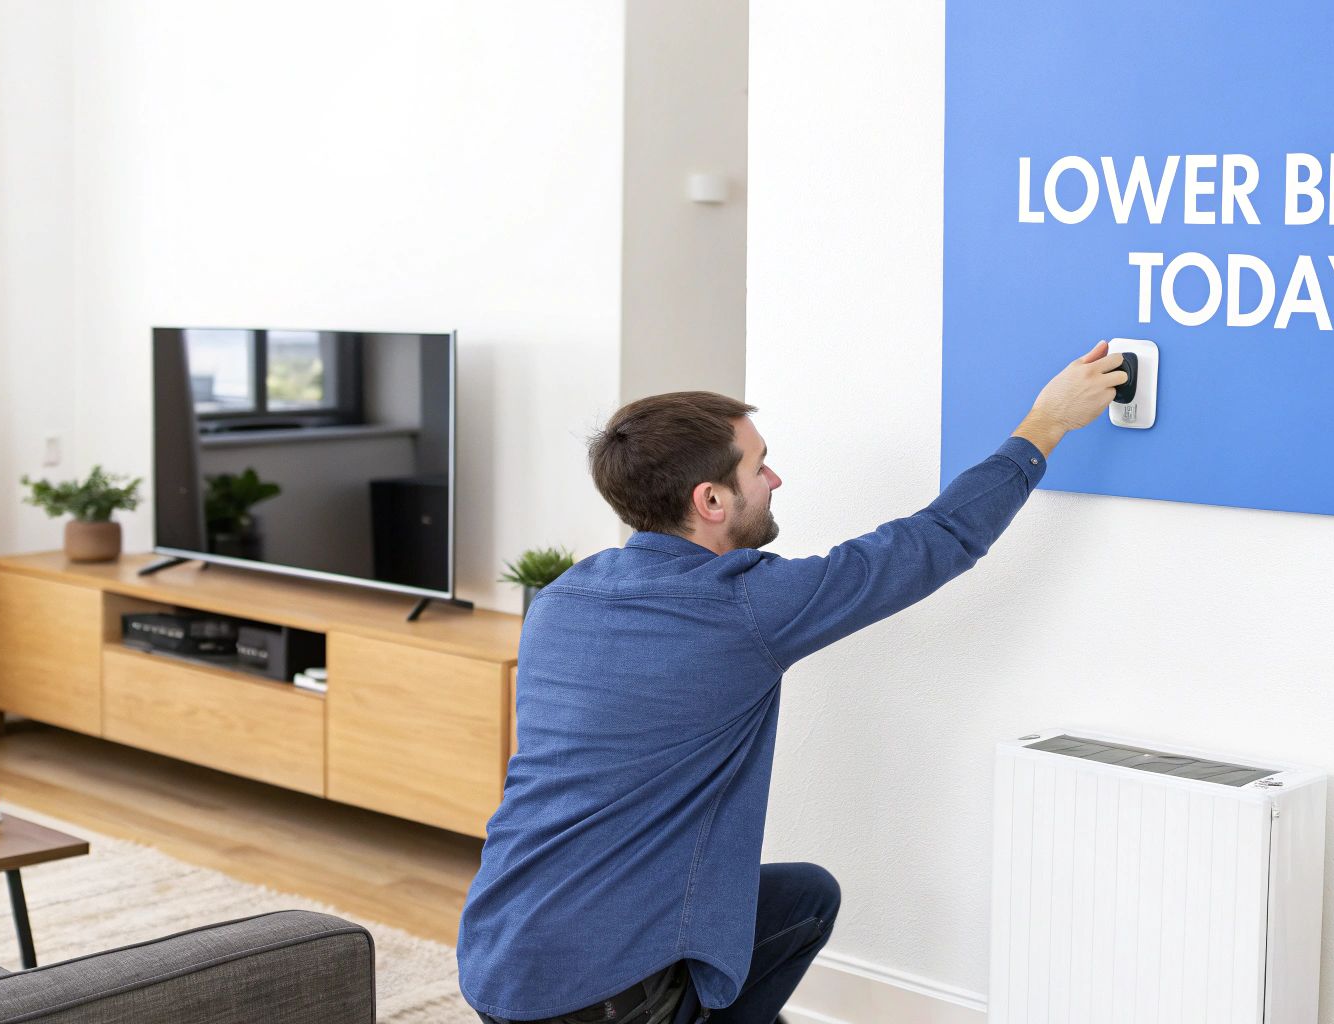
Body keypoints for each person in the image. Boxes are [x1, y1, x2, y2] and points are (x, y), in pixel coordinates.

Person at [458, 342, 1131, 1024]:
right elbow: (936, 540)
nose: (774, 479)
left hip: (495, 959)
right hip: (594, 1003)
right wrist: (1046, 424)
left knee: (801, 896)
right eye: (759, 467)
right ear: (710, 499)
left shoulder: (562, 598)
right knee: (800, 908)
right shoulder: (742, 606)